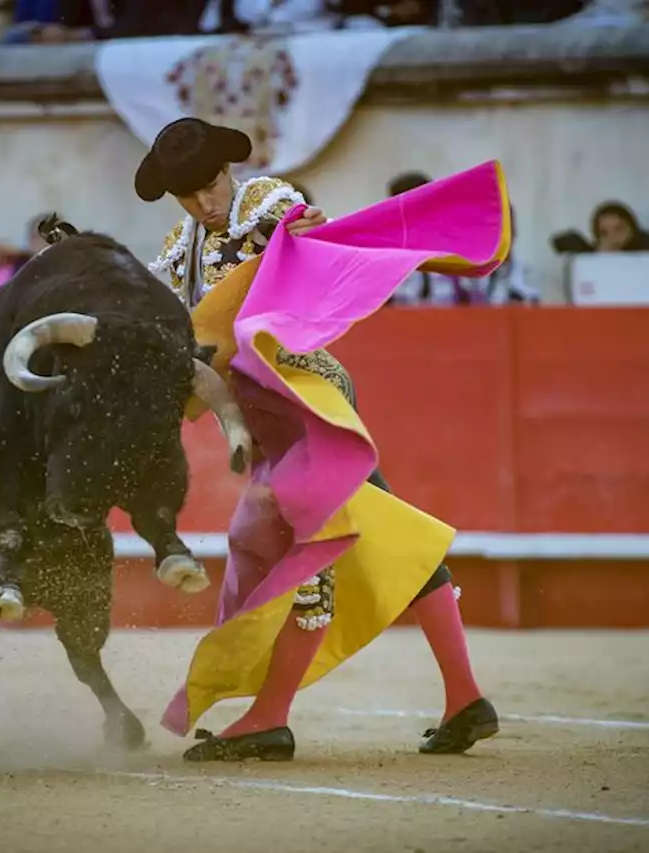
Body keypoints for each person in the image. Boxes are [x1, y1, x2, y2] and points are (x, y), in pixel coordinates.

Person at [139, 117, 502, 761]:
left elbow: (300, 232)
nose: (204, 203)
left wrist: (300, 238)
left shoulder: (266, 203)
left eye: (208, 186)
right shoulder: (180, 247)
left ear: (227, 171)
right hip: (265, 418)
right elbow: (161, 318)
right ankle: (466, 699)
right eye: (187, 195)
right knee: (389, 536)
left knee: (305, 550)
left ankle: (269, 719)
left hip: (306, 397)